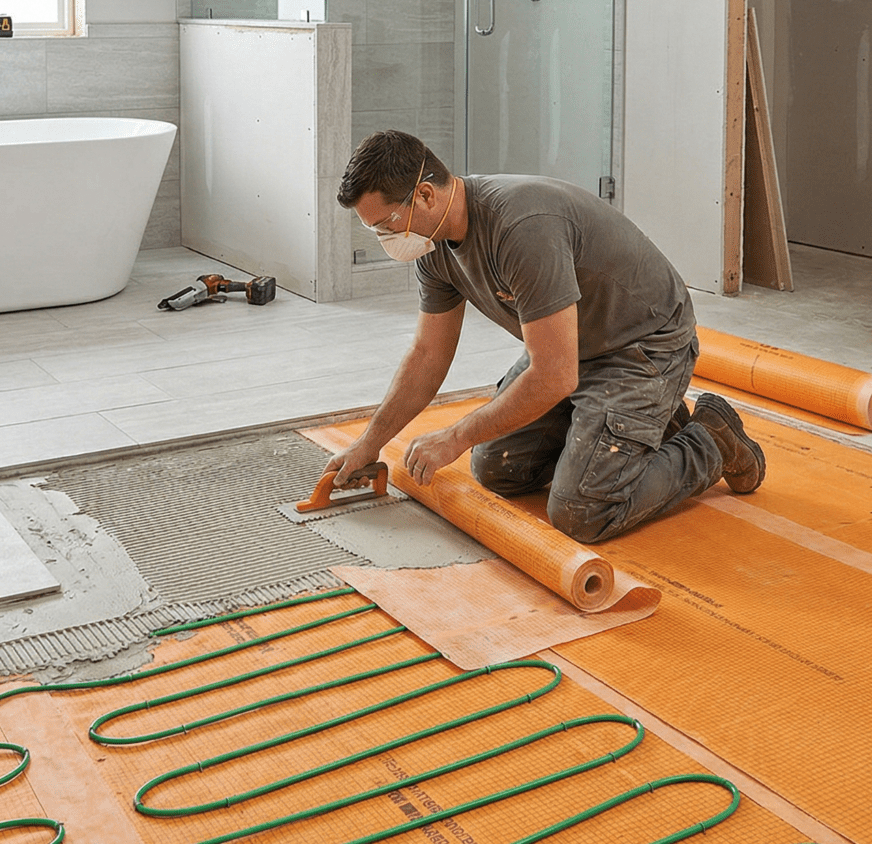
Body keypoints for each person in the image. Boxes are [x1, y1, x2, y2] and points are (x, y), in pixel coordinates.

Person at [323, 130, 766, 545]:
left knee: (582, 511)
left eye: (387, 224)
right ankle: (639, 429)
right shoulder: (433, 246)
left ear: (424, 194)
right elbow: (427, 355)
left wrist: (455, 436)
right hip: (575, 347)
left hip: (642, 346)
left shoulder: (521, 227)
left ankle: (709, 438)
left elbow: (554, 376)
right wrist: (369, 443)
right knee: (497, 468)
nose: (385, 238)